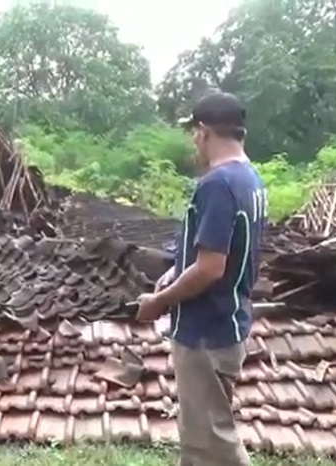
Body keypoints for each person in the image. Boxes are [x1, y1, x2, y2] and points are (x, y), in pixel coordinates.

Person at [135, 92, 266, 466]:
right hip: (228, 322)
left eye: (194, 132)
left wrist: (159, 303)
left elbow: (211, 268)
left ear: (204, 131)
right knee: (199, 442)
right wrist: (178, 270)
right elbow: (225, 249)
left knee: (213, 444)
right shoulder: (249, 180)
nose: (193, 140)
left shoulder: (217, 185)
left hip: (206, 331)